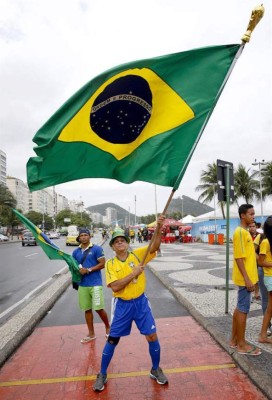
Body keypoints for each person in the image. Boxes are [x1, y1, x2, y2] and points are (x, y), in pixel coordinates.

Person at [93, 215, 168, 392]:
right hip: (122, 305)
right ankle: (102, 373)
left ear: (127, 243)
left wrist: (158, 227)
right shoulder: (110, 264)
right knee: (112, 339)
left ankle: (155, 369)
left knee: (152, 336)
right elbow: (116, 287)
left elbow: (155, 246)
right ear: (112, 246)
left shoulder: (138, 254)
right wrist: (134, 273)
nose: (120, 243)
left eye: (122, 240)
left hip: (141, 303)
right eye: (116, 241)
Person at [230, 204, 261, 356]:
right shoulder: (240, 233)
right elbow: (239, 258)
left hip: (245, 278)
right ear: (243, 215)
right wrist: (248, 280)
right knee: (243, 309)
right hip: (244, 279)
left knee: (239, 308)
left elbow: (248, 255)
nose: (253, 216)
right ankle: (241, 344)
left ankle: (234, 340)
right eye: (251, 214)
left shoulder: (245, 232)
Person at [72, 229, 110, 343]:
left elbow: (103, 263)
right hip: (82, 284)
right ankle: (91, 333)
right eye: (81, 235)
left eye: (85, 235)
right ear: (79, 237)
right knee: (87, 309)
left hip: (95, 283)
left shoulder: (97, 249)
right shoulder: (76, 251)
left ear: (89, 236)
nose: (83, 237)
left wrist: (88, 269)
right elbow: (74, 265)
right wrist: (77, 270)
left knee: (99, 308)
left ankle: (108, 327)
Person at [257, 216, 272, 343]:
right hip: (270, 277)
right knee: (270, 307)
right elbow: (261, 262)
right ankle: (263, 335)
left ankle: (263, 334)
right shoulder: (265, 242)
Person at [248, 221, 261, 303]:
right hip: (249, 260)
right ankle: (250, 295)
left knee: (257, 278)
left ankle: (256, 294)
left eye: (253, 226)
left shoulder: (260, 236)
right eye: (250, 226)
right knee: (250, 278)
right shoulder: (247, 235)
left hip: (257, 260)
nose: (252, 228)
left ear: (256, 227)